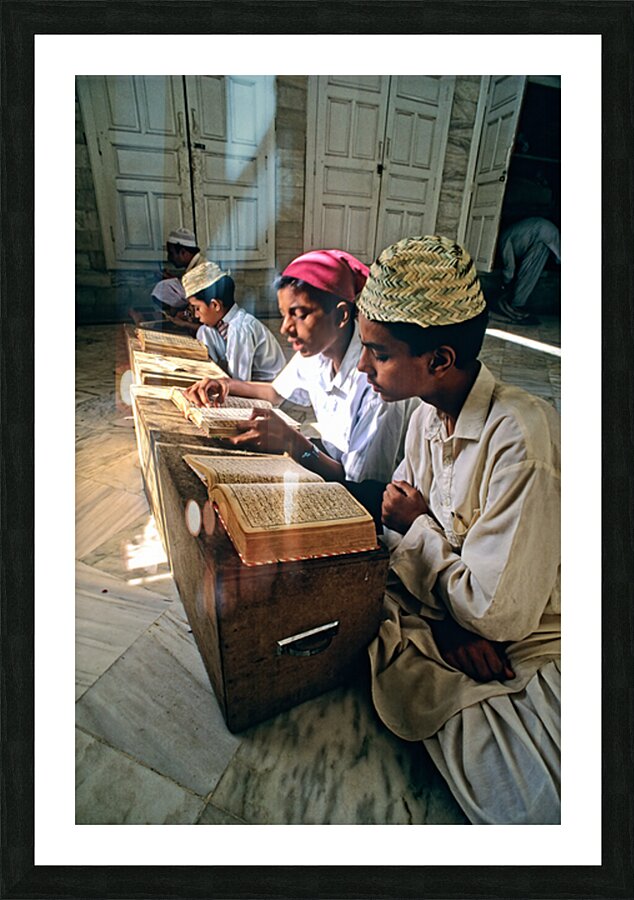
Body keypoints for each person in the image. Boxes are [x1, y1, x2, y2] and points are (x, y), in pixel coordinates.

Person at [356, 235, 561, 825]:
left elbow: (500, 615)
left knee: (532, 803)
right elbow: (396, 529)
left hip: (528, 633)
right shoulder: (424, 416)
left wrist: (419, 526)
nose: (363, 366)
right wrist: (448, 625)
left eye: (379, 352)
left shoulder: (520, 438)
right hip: (452, 607)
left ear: (440, 359)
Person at [183, 249, 420, 486]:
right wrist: (225, 385)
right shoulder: (316, 354)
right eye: (283, 315)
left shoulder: (377, 385)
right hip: (329, 459)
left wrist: (292, 442)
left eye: (300, 315)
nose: (285, 328)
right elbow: (274, 393)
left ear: (341, 315)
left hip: (365, 496)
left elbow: (358, 485)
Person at [182, 261, 286, 382]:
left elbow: (240, 381)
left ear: (215, 305)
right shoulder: (212, 328)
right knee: (203, 331)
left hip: (268, 388)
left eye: (197, 308)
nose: (196, 315)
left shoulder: (241, 328)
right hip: (246, 383)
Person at [495, 217, 561, 324]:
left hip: (543, 231)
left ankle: (516, 305)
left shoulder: (504, 240)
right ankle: (517, 305)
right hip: (544, 229)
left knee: (527, 272)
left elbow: (509, 271)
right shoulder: (510, 234)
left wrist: (505, 284)